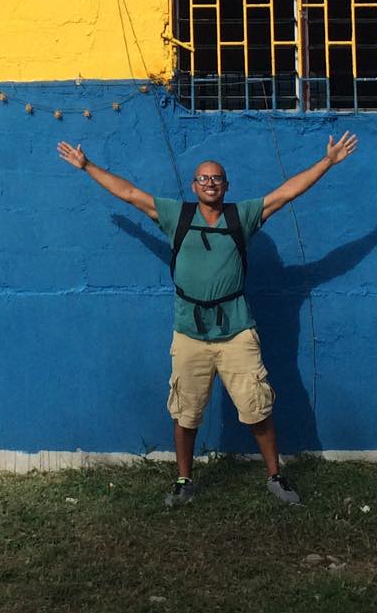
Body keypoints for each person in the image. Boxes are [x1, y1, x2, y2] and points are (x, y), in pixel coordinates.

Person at [57, 132, 358, 508]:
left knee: (256, 407)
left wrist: (328, 161)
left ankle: (275, 476)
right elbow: (131, 194)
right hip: (189, 334)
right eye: (203, 178)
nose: (210, 183)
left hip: (237, 332)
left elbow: (286, 193)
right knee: (185, 410)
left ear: (226, 185)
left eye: (217, 178)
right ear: (194, 185)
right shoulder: (177, 215)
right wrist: (87, 167)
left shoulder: (241, 216)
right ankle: (184, 481)